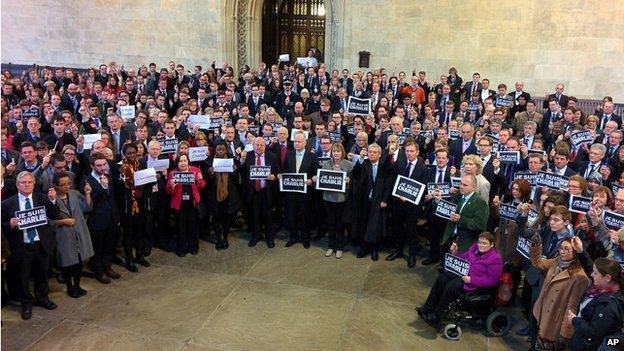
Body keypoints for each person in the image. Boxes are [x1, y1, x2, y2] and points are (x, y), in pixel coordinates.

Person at [1, 171, 59, 320]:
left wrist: (53, 201)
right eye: (23, 182)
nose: (26, 185)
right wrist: (10, 225)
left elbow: (54, 215)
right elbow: (2, 227)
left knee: (42, 273)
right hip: (21, 246)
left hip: (41, 244)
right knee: (23, 277)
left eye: (29, 182)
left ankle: (42, 297)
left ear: (34, 184)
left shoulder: (42, 198)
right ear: (17, 185)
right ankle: (26, 302)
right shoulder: (7, 204)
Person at [418, 232, 503, 327]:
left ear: (491, 245)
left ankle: (437, 316)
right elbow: (462, 259)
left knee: (452, 286)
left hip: (474, 284)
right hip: (463, 275)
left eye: (484, 243)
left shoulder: (495, 259)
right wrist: (455, 253)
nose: (481, 245)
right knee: (442, 278)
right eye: (480, 242)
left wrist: (472, 280)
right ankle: (428, 308)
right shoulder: (474, 248)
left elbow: (492, 280)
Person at [529, 231, 591, 350]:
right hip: (542, 312)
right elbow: (537, 262)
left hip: (555, 322)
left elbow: (572, 307)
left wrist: (565, 333)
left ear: (576, 252)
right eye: (561, 248)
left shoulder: (580, 277)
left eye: (566, 249)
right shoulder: (556, 262)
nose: (562, 251)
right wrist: (536, 246)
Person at [386, 139, 429, 268]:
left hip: (412, 206)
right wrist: (390, 154)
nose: (409, 153)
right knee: (397, 228)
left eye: (411, 151)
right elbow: (388, 168)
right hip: (398, 203)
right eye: (407, 151)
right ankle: (398, 251)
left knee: (412, 231)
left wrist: (409, 197)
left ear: (417, 152)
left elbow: (423, 189)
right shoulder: (400, 163)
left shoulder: (423, 169)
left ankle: (412, 254)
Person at [51, 171, 94, 298]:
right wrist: (62, 221)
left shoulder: (74, 194)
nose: (66, 187)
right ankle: (70, 286)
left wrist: (87, 194)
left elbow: (87, 208)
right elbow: (48, 221)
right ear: (55, 185)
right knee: (67, 262)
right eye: (63, 185)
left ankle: (77, 285)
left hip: (79, 231)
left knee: (79, 261)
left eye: (68, 184)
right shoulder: (51, 199)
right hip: (63, 234)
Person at [80, 152, 121, 284]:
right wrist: (103, 187)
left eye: (104, 164)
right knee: (97, 248)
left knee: (109, 245)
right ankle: (98, 271)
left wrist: (116, 216)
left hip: (111, 218)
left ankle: (107, 267)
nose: (103, 167)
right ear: (92, 166)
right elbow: (89, 204)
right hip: (97, 220)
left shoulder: (109, 176)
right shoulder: (86, 181)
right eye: (99, 165)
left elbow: (113, 198)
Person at [566, 257, 624, 351]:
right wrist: (581, 252)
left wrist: (574, 320)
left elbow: (594, 332)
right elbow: (590, 268)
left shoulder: (607, 305)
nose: (592, 274)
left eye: (595, 273)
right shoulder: (606, 289)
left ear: (608, 277)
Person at [282, 132, 318, 248]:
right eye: (295, 141)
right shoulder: (289, 155)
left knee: (305, 216)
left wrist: (311, 180)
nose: (296, 144)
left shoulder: (312, 156)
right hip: (291, 193)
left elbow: (315, 173)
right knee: (291, 215)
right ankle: (293, 237)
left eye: (299, 141)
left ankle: (305, 238)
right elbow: (285, 171)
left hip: (306, 193)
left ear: (305, 142)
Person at [166, 154, 206, 256]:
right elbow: (168, 191)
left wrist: (200, 179)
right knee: (180, 227)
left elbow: (202, 186)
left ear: (188, 161)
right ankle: (181, 248)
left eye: (185, 161)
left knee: (193, 226)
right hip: (179, 204)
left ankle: (194, 247)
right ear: (177, 163)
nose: (183, 163)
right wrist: (172, 186)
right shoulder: (172, 173)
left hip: (193, 203)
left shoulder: (195, 170)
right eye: (180, 161)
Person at [117, 143, 149, 271]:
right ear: (124, 154)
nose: (131, 155)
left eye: (133, 152)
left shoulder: (141, 164)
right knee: (128, 233)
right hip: (127, 204)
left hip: (140, 202)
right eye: (128, 153)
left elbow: (147, 182)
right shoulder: (119, 167)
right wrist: (121, 179)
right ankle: (129, 260)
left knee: (140, 231)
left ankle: (140, 256)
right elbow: (117, 188)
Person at [438, 174, 489, 252]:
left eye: (465, 185)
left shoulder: (480, 202)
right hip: (452, 238)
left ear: (474, 187)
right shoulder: (457, 196)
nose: (461, 187)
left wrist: (460, 219)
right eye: (461, 184)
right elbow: (447, 208)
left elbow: (480, 224)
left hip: (467, 242)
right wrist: (438, 200)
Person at [206, 141, 241, 250]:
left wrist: (234, 171)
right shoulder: (208, 161)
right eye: (218, 150)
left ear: (226, 150)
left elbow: (236, 179)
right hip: (213, 194)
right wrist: (210, 173)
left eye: (223, 150)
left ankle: (225, 238)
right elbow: (205, 181)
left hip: (228, 194)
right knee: (216, 217)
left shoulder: (232, 159)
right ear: (215, 150)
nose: (221, 152)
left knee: (226, 217)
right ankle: (218, 238)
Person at [321, 142, 353, 259]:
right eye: (334, 151)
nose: (336, 153)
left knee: (340, 224)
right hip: (328, 198)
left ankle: (339, 247)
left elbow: (354, 183)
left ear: (342, 152)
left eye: (338, 151)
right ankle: (331, 246)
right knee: (330, 223)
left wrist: (349, 181)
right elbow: (322, 181)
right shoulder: (326, 164)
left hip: (342, 199)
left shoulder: (349, 165)